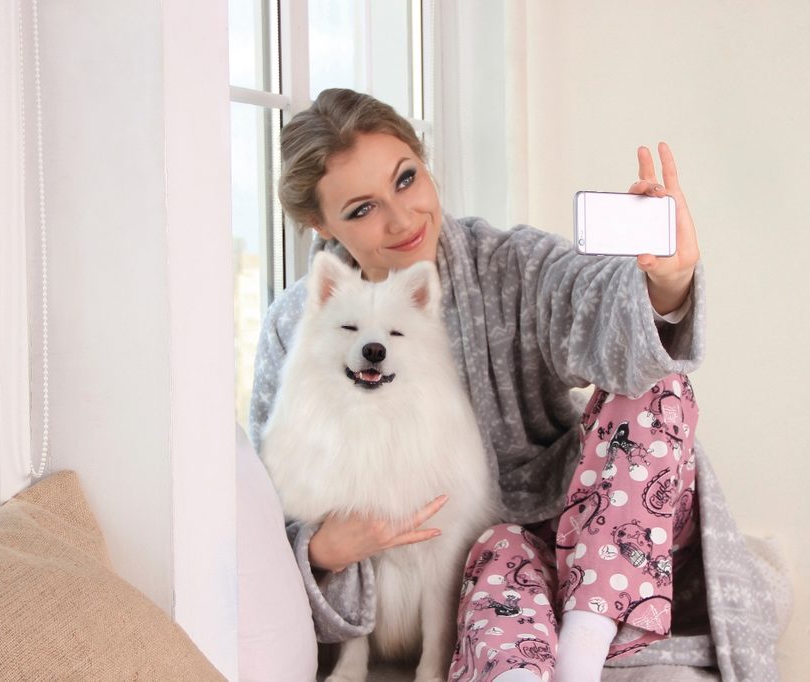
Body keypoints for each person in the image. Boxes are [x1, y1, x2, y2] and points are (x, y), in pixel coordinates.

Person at [248, 88, 779, 681]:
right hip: (483, 559)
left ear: (425, 164)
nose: (401, 219)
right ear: (318, 222)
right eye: (361, 209)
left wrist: (667, 282)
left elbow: (591, 299)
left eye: (405, 179)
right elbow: (273, 503)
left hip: (584, 514)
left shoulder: (504, 263)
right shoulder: (297, 326)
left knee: (655, 385)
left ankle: (587, 635)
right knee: (497, 574)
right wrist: (323, 549)